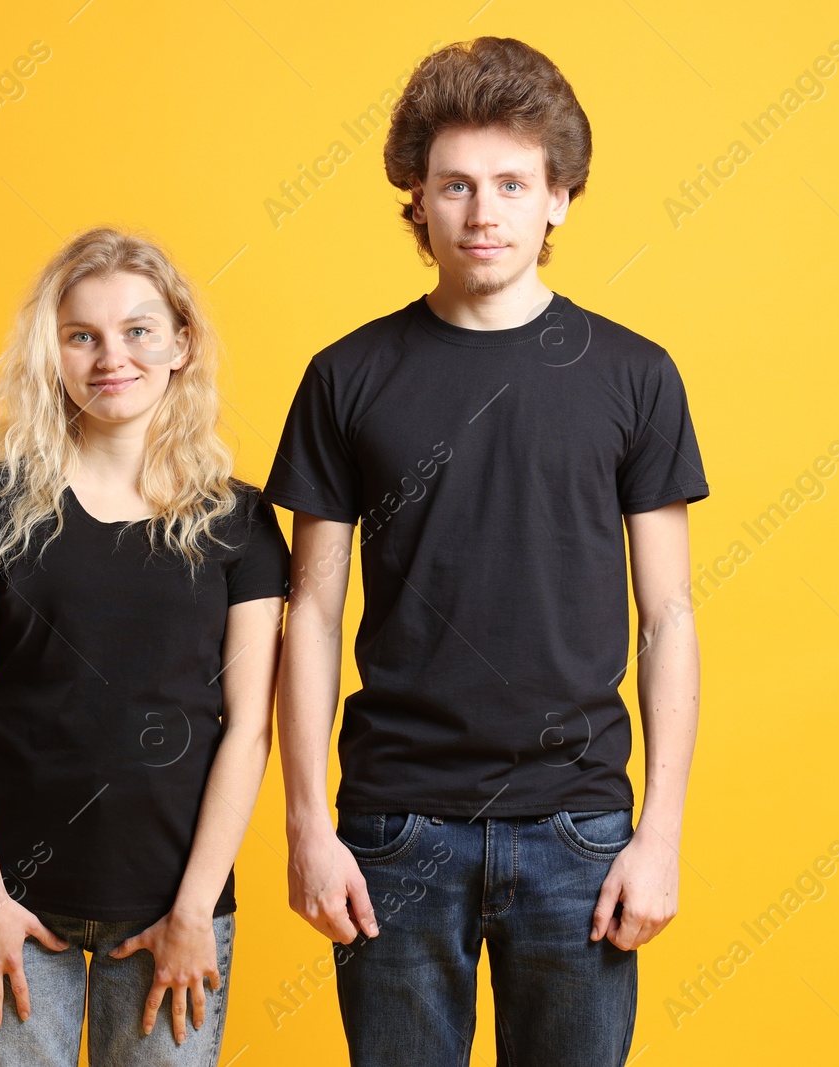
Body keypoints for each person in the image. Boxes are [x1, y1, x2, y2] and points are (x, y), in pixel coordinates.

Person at [261, 37, 711, 1066]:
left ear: (559, 198)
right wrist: (305, 825)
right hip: (394, 826)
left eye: (511, 183)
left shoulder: (635, 376)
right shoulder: (347, 376)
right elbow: (313, 612)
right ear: (415, 200)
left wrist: (662, 833)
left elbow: (669, 614)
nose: (482, 210)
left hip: (580, 829)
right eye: (455, 184)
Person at [0, 227, 290, 1066]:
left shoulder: (242, 523)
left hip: (173, 910)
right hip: (10, 903)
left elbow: (247, 728)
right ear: (52, 352)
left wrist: (195, 909)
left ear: (181, 344)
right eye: (81, 334)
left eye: (138, 330)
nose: (110, 356)